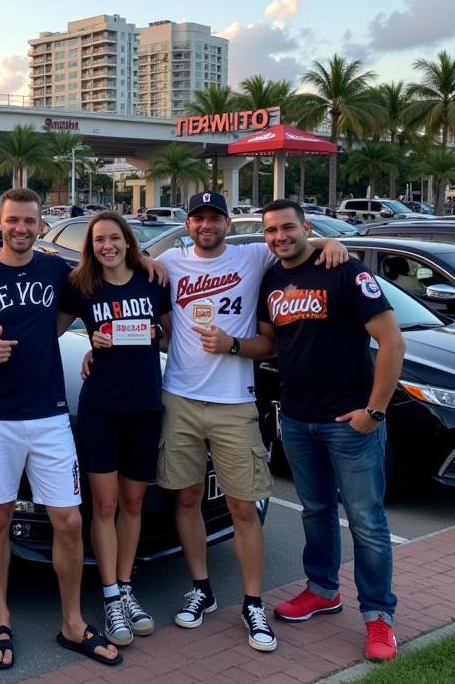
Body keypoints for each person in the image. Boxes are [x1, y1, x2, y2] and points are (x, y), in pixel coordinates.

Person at [149, 190, 348, 653]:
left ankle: (253, 601)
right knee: (187, 499)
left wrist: (333, 246)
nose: (206, 226)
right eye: (198, 218)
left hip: (234, 402)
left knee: (243, 506)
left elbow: (295, 245)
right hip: (179, 397)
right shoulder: (171, 262)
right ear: (187, 222)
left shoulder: (253, 255)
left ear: (227, 223)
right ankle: (201, 588)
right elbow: (120, 261)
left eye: (214, 218)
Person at [0, 187, 122, 671]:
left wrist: (153, 266)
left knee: (68, 520)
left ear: (40, 224)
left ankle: (71, 621)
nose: (21, 229)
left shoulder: (54, 271)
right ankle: (0, 616)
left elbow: (100, 292)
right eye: (12, 221)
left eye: (29, 221)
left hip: (49, 415)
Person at [254, 200, 404, 661]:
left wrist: (374, 412)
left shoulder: (345, 271)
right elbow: (269, 341)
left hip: (350, 421)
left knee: (366, 521)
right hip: (298, 418)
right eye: (272, 230)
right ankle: (322, 589)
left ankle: (379, 617)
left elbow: (392, 342)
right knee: (315, 510)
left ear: (307, 227)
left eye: (289, 228)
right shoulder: (272, 278)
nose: (280, 236)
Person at [59, 212, 170, 648]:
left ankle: (126, 588)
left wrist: (146, 331)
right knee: (103, 507)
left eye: (114, 238)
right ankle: (108, 596)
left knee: (133, 503)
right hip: (101, 406)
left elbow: (166, 337)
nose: (107, 245)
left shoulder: (152, 280)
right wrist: (93, 343)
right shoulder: (82, 285)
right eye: (99, 240)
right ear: (91, 246)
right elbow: (51, 333)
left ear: (128, 241)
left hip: (144, 405)